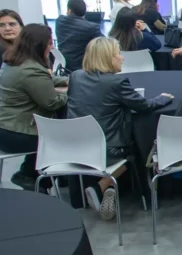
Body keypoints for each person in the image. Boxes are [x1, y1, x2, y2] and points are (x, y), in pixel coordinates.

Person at [66, 37, 173, 219]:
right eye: (118, 54)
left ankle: (102, 187)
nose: (122, 58)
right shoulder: (116, 83)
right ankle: (104, 185)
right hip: (108, 149)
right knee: (137, 152)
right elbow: (144, 105)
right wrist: (163, 97)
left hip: (74, 147)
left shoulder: (75, 77)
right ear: (108, 57)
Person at [0, 25, 67, 190]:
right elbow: (52, 103)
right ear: (39, 45)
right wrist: (73, 92)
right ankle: (31, 175)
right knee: (59, 138)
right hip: (11, 134)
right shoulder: (32, 70)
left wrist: (64, 81)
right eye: (49, 43)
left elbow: (41, 81)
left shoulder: (14, 61)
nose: (51, 47)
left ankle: (44, 176)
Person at [55, 0, 101, 72]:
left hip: (63, 65)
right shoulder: (91, 27)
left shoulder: (59, 21)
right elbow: (103, 43)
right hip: (83, 67)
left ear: (69, 11)